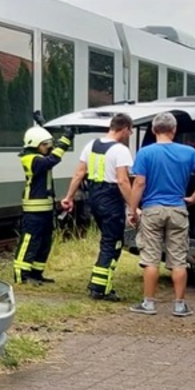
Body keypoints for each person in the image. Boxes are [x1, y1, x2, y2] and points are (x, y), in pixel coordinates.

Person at [126, 112, 195, 317]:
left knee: (150, 258)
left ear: (153, 130)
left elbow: (139, 183)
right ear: (174, 130)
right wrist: (194, 197)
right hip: (177, 209)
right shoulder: (188, 152)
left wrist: (132, 210)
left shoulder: (145, 153)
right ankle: (179, 305)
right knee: (178, 260)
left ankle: (148, 303)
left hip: (152, 209)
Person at [60, 113, 134, 301]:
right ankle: (101, 288)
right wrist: (134, 206)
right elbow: (123, 181)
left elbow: (79, 174)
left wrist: (69, 197)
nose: (130, 134)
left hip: (94, 198)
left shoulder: (90, 145)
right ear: (124, 128)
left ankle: (97, 283)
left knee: (107, 240)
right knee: (113, 242)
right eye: (130, 131)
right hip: (111, 199)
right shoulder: (121, 150)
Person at [14, 123, 74, 285]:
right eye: (45, 144)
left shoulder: (39, 156)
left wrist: (45, 126)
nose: (48, 147)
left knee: (45, 241)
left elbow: (50, 155)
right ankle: (21, 274)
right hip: (33, 209)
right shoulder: (31, 159)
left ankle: (36, 273)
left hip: (45, 208)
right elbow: (52, 159)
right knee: (30, 240)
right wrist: (66, 139)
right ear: (35, 144)